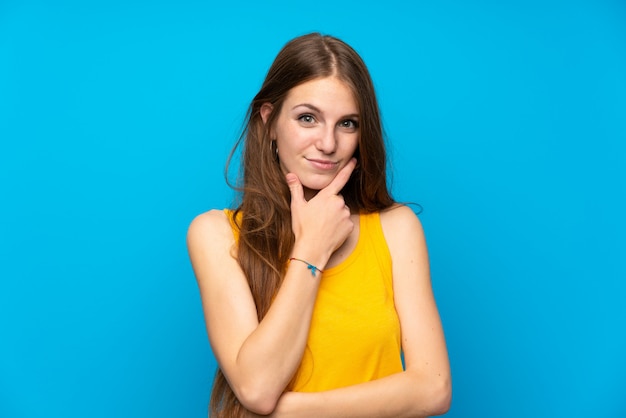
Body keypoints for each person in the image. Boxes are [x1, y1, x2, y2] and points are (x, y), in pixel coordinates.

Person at [187, 33, 451, 417]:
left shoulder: (396, 228)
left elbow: (434, 388)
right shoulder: (217, 235)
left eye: (347, 123)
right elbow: (257, 387)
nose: (328, 143)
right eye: (307, 118)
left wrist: (287, 412)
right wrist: (311, 249)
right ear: (269, 121)